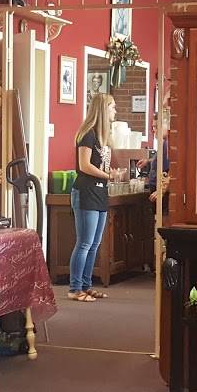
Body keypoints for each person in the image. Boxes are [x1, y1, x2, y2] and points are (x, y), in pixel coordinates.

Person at [68, 93, 116, 302]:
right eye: (112, 107)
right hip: (86, 192)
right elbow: (84, 165)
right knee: (84, 243)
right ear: (103, 110)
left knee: (95, 243)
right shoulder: (87, 135)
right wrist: (108, 175)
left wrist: (109, 174)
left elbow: (99, 165)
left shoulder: (103, 137)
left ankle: (86, 285)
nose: (115, 111)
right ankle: (75, 288)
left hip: (100, 192)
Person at [138, 113, 170, 204]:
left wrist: (162, 189)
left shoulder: (168, 145)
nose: (154, 130)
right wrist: (148, 161)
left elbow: (173, 168)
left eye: (157, 127)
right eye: (153, 127)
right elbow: (163, 160)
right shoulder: (163, 144)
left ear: (167, 126)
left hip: (161, 192)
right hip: (156, 189)